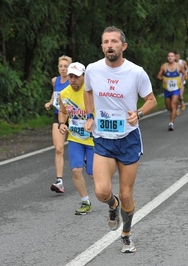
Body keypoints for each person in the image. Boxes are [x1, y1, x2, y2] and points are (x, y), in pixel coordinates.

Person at [84, 26, 157, 253]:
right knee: (101, 192)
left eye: (114, 41)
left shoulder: (136, 72)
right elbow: (87, 92)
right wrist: (89, 115)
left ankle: (126, 234)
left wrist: (139, 113)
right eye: (106, 42)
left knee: (127, 194)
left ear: (123, 46)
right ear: (102, 46)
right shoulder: (92, 70)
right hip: (103, 138)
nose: (109, 45)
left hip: (128, 138)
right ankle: (112, 205)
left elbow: (151, 99)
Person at [57, 62, 94, 215]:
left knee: (93, 174)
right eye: (70, 76)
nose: (73, 80)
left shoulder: (92, 92)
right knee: (76, 171)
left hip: (94, 139)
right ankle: (85, 201)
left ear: (84, 76)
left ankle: (110, 198)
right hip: (75, 138)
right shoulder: (64, 94)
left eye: (76, 77)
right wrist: (61, 123)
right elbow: (63, 111)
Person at [44, 55, 72, 193]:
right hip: (58, 115)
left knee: (82, 146)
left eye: (65, 66)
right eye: (60, 66)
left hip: (74, 117)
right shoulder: (55, 81)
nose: (63, 69)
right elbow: (55, 95)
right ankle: (59, 181)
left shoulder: (74, 80)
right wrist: (50, 103)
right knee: (59, 148)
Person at [157, 51, 186, 131]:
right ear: (167, 57)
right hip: (167, 89)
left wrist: (182, 81)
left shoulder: (179, 66)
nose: (170, 57)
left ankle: (171, 123)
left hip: (176, 89)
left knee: (173, 105)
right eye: (169, 56)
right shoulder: (164, 66)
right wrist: (162, 79)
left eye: (172, 56)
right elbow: (158, 76)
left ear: (174, 57)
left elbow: (184, 74)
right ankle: (174, 110)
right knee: (168, 107)